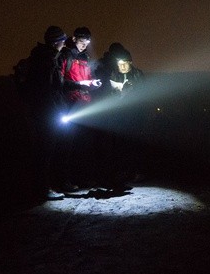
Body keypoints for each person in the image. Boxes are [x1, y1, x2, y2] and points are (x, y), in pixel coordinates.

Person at [24, 25, 68, 201]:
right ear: (56, 42)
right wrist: (57, 109)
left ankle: (41, 188)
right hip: (47, 112)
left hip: (42, 111)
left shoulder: (44, 57)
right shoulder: (47, 60)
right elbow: (48, 89)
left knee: (43, 150)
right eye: (63, 41)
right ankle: (42, 190)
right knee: (45, 151)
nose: (64, 44)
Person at [94, 43, 147, 187]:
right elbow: (105, 93)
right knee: (120, 145)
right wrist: (116, 93)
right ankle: (121, 171)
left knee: (134, 144)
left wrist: (133, 91)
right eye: (120, 64)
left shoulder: (137, 74)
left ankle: (135, 171)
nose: (122, 66)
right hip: (119, 116)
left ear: (130, 62)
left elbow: (145, 94)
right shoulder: (113, 74)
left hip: (135, 115)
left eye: (125, 63)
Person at [59, 27, 102, 189]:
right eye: (82, 41)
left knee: (83, 144)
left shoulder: (85, 57)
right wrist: (79, 84)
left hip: (84, 103)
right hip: (70, 104)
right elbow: (60, 81)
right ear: (74, 38)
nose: (84, 45)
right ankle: (65, 180)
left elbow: (89, 77)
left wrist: (93, 83)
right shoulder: (66, 55)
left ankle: (82, 178)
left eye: (87, 42)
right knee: (68, 144)